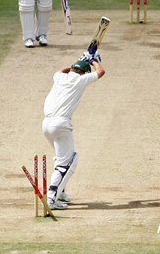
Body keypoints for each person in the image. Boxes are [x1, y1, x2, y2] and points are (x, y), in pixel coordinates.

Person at [41, 52, 105, 210]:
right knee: (69, 162)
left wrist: (80, 61)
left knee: (61, 158)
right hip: (61, 124)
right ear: (84, 72)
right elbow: (101, 72)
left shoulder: (59, 77)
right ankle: (51, 199)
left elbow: (61, 70)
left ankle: (60, 192)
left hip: (46, 124)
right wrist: (94, 60)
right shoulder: (81, 80)